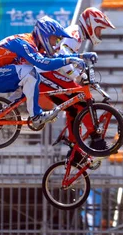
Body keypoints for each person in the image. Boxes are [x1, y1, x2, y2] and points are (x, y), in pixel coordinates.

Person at [0, 16, 82, 127]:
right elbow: (43, 63)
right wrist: (69, 60)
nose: (55, 44)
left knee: (30, 77)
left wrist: (80, 56)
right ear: (45, 34)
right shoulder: (25, 43)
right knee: (30, 72)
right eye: (55, 39)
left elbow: (54, 58)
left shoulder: (33, 45)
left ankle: (7, 110)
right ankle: (35, 115)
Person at [39, 8, 114, 154]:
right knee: (82, 102)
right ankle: (96, 139)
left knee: (74, 109)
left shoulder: (77, 36)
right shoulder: (75, 33)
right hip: (47, 73)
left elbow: (67, 59)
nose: (100, 34)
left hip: (49, 73)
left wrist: (80, 74)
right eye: (99, 29)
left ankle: (75, 150)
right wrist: (77, 75)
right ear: (91, 24)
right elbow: (63, 54)